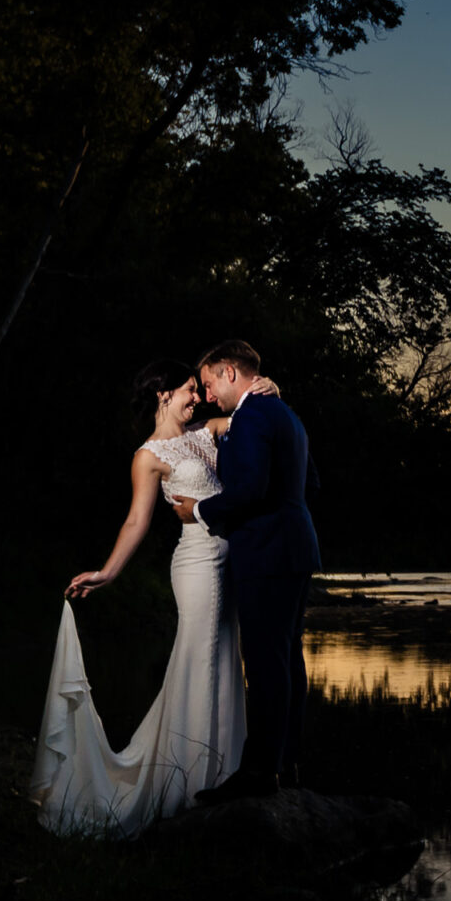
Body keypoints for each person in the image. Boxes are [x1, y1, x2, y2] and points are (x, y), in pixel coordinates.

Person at [28, 359, 274, 834]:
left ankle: (223, 774)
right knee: (199, 658)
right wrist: (107, 573)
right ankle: (185, 786)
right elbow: (136, 521)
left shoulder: (207, 430)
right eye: (187, 389)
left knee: (225, 660)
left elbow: (251, 411)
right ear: (162, 395)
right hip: (197, 566)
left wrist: (269, 387)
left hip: (232, 563)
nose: (196, 396)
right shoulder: (148, 456)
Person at [175, 338, 320, 802]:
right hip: (295, 547)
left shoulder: (255, 414)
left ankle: (259, 775)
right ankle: (287, 762)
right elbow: (309, 481)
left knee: (265, 664)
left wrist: (198, 510)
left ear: (231, 372)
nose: (209, 393)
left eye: (210, 381)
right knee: (286, 661)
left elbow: (252, 489)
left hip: (268, 551)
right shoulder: (283, 413)